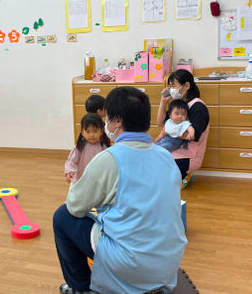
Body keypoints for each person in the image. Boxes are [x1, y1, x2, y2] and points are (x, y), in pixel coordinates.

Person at [53, 86, 187, 294]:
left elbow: (75, 206)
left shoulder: (109, 159)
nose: (105, 123)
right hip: (168, 262)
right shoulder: (165, 156)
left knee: (62, 217)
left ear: (117, 121)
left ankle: (81, 289)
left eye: (107, 118)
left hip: (131, 265)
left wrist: (77, 185)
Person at [157, 69, 210, 185]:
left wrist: (168, 131)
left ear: (186, 86)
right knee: (153, 154)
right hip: (176, 149)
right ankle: (183, 175)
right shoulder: (178, 104)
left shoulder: (198, 107)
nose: (171, 90)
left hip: (190, 155)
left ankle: (183, 176)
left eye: (174, 86)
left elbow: (192, 136)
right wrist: (163, 102)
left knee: (156, 162)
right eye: (170, 87)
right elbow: (161, 123)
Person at [65, 113, 110, 184]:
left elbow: (108, 164)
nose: (91, 135)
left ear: (101, 131)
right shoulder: (79, 147)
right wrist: (70, 172)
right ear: (82, 132)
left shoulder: (103, 148)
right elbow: (71, 161)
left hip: (97, 181)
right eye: (88, 131)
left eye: (95, 131)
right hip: (81, 180)